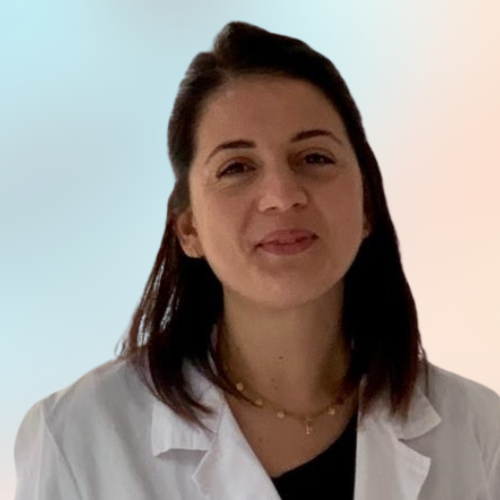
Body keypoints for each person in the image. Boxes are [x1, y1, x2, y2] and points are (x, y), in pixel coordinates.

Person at [14, 21, 500, 500]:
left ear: (367, 205)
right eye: (237, 167)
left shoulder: (477, 429)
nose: (282, 196)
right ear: (189, 229)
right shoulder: (78, 438)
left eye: (314, 158)